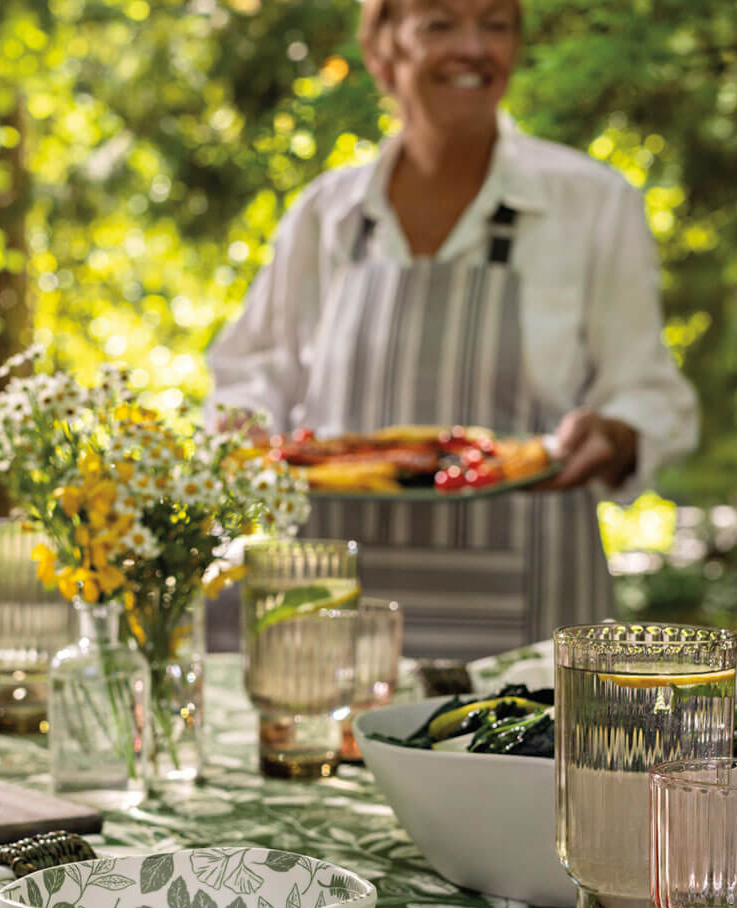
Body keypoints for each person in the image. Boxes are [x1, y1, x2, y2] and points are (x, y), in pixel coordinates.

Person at [207, 0, 697, 659]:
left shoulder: (592, 202)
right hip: (335, 620)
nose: (473, 47)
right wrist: (241, 422)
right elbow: (252, 372)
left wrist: (616, 433)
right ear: (382, 52)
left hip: (532, 618)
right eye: (439, 24)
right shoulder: (328, 214)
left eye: (495, 24)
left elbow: (650, 393)